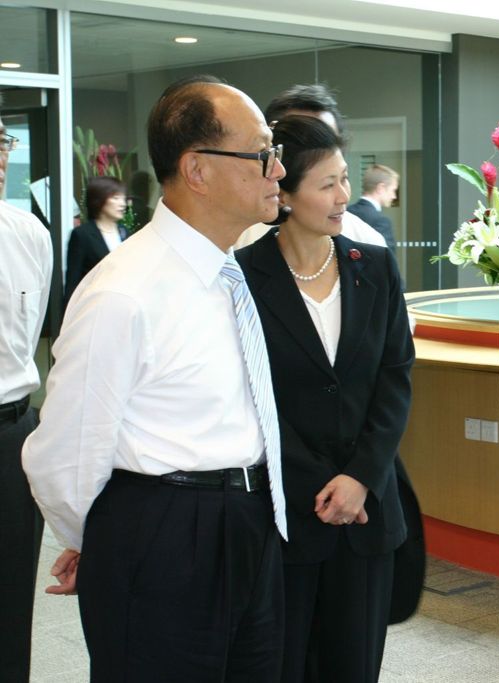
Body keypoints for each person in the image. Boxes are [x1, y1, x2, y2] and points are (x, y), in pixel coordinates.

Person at [22, 75, 290, 682]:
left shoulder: (229, 271)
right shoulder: (124, 290)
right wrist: (106, 539)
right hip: (165, 531)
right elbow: (63, 451)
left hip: (252, 523)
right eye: (262, 153)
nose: (278, 170)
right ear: (196, 169)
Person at [235, 115, 414, 682]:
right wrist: (321, 482)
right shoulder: (242, 277)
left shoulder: (376, 268)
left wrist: (360, 477)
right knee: (283, 664)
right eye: (327, 184)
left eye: (345, 180)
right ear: (284, 194)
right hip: (287, 511)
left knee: (354, 665)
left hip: (366, 511)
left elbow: (395, 378)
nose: (343, 198)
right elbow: (245, 391)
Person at [0, 91, 52, 683]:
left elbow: (30, 336)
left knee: (11, 596)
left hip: (10, 436)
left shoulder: (29, 236)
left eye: (3, 143)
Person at [235, 84, 386, 250]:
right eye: (300, 139)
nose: (320, 149)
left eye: (326, 140)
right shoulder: (236, 242)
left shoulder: (368, 243)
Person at [65, 175, 129, 305]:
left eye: (123, 198)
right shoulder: (82, 234)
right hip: (94, 306)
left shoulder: (124, 232)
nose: (122, 203)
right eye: (115, 198)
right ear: (99, 200)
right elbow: (73, 282)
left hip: (122, 306)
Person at [348, 163, 399, 251]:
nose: (394, 196)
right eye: (393, 190)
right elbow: (386, 259)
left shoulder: (346, 213)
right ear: (381, 188)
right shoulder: (381, 221)